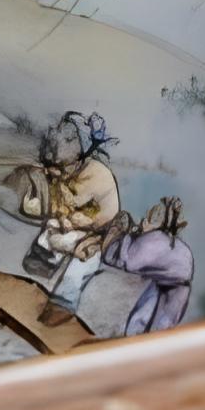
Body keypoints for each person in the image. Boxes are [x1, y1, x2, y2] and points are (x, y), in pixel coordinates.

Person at [18, 111, 123, 306]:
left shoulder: (96, 174)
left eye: (61, 168)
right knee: (49, 232)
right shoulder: (65, 172)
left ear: (79, 159)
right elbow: (59, 206)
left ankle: (63, 303)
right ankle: (38, 275)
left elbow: (102, 215)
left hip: (97, 234)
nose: (57, 173)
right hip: (73, 224)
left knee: (76, 263)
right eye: (53, 167)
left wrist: (77, 221)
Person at [106, 197, 194, 337]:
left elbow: (127, 262)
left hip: (172, 291)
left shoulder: (156, 240)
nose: (143, 222)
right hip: (169, 286)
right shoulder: (171, 242)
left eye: (148, 218)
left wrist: (123, 236)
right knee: (144, 325)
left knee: (154, 329)